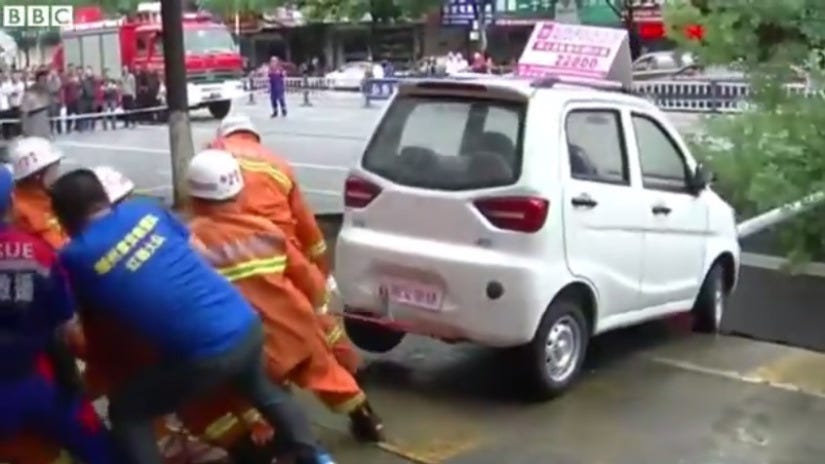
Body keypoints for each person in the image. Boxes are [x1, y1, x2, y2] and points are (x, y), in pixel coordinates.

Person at [48, 169, 335, 464]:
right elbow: (198, 253)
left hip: (198, 356)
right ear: (104, 198)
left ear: (64, 217)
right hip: (244, 324)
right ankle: (317, 457)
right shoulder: (147, 211)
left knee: (128, 410)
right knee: (262, 389)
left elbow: (82, 330)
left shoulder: (73, 258)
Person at [78, 165, 277, 463]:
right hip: (239, 334)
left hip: (183, 354)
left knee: (181, 409)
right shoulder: (167, 228)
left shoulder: (90, 255)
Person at [187, 149, 383, 442]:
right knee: (327, 374)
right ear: (240, 193)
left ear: (192, 198)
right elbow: (307, 277)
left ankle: (270, 443)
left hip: (249, 344)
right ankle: (366, 420)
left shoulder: (190, 241)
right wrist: (318, 313)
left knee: (248, 396)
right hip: (295, 329)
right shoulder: (266, 230)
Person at [0, 165, 115, 464]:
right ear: (11, 203)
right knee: (98, 446)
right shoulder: (37, 253)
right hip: (34, 379)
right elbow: (64, 325)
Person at [9, 137, 66, 248]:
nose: (57, 175)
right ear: (37, 176)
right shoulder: (28, 213)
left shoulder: (41, 198)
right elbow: (60, 249)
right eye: (53, 170)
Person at [21, 69, 52, 139]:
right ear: (39, 79)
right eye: (43, 78)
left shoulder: (46, 89)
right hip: (33, 119)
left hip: (43, 118)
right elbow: (24, 110)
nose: (45, 80)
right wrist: (24, 127)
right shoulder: (31, 90)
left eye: (46, 78)